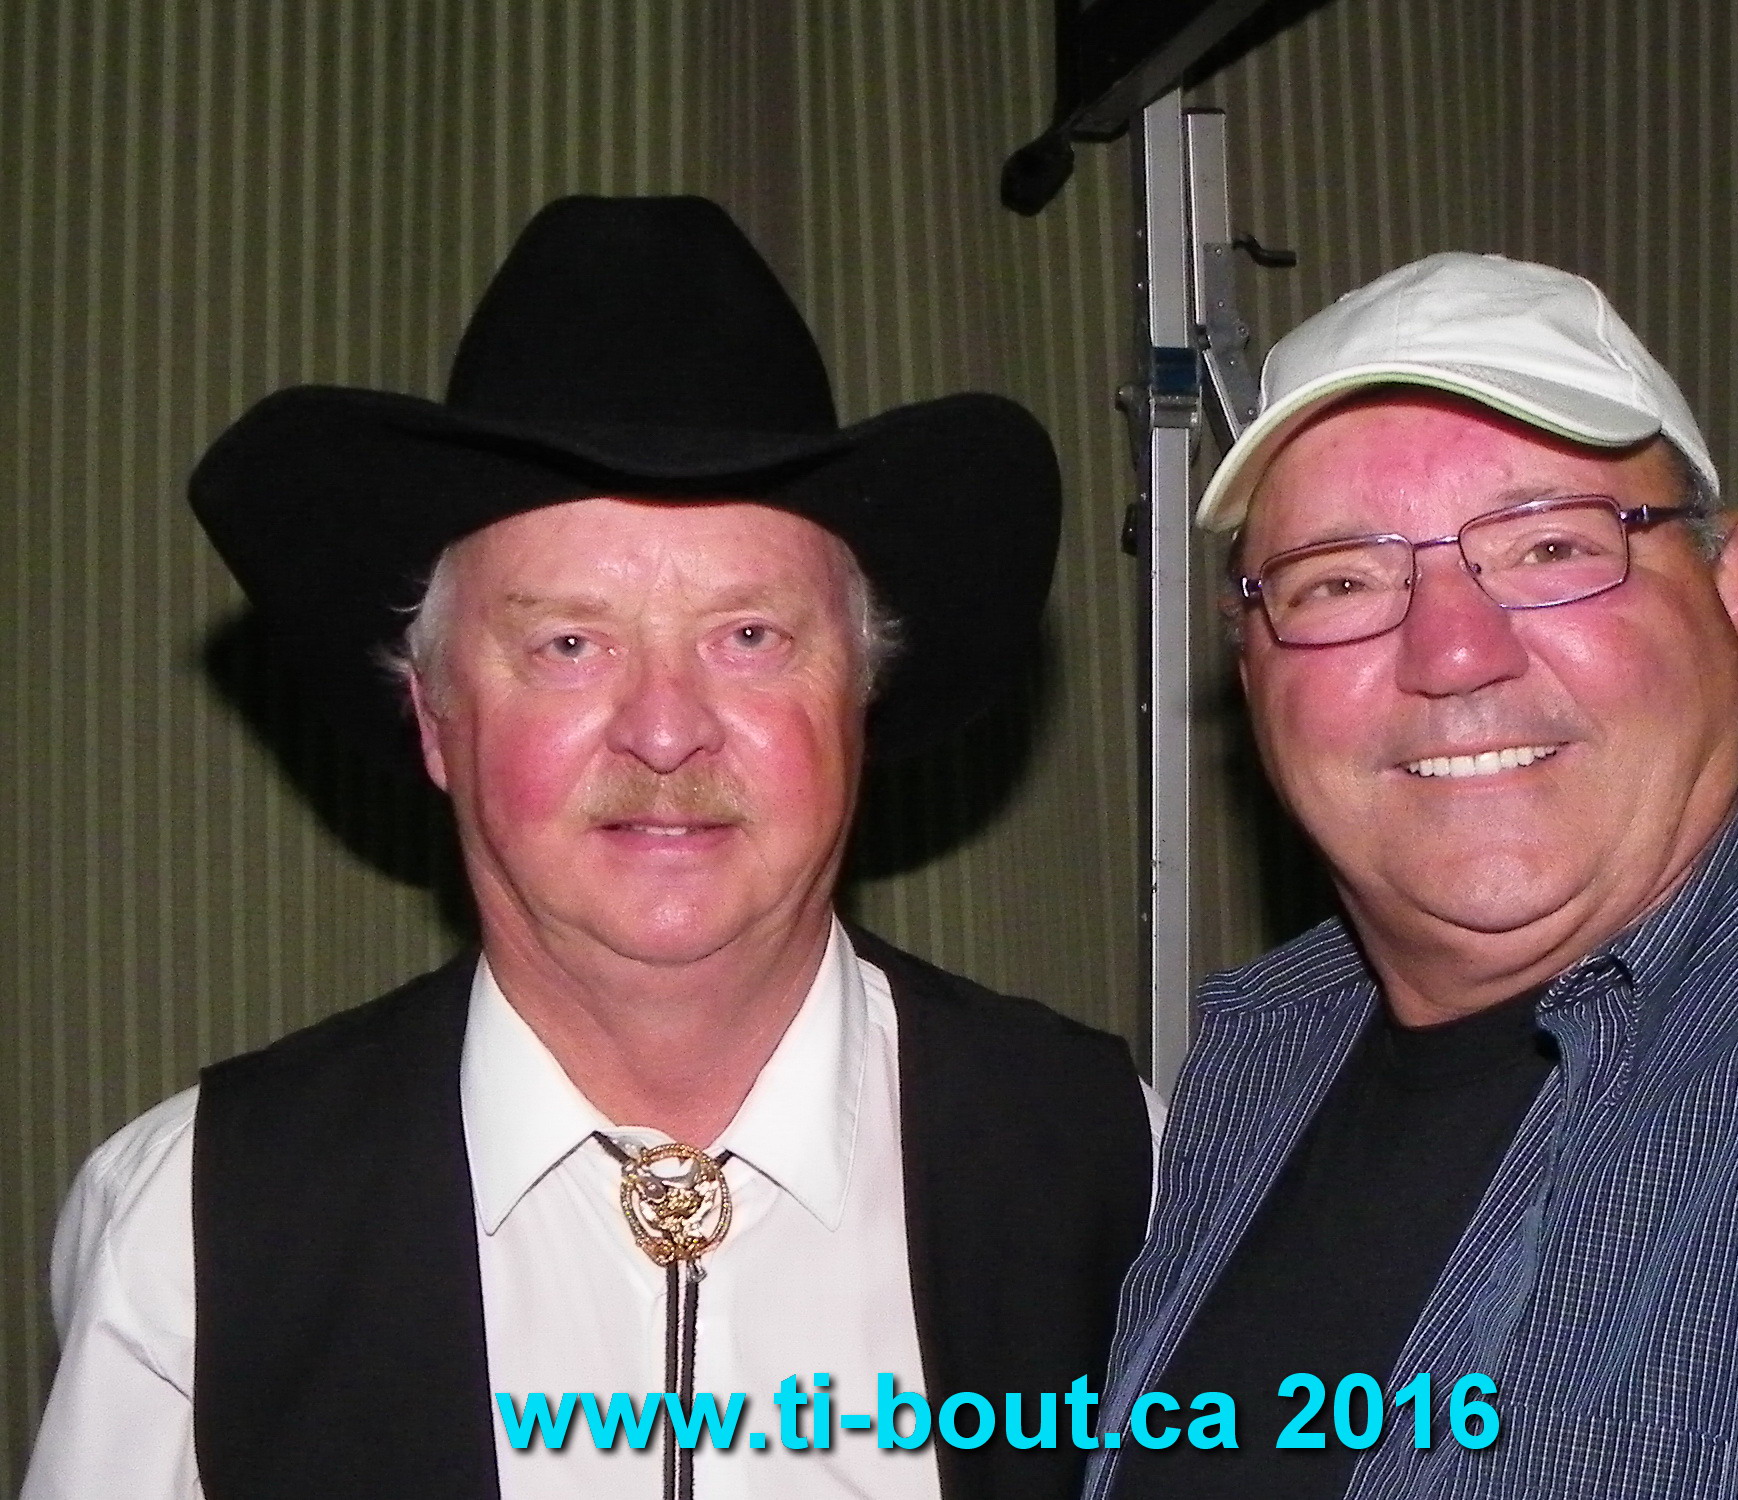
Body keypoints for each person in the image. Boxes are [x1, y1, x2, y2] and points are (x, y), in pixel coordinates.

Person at [24, 196, 1155, 1500]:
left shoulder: (1112, 1169)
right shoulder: (197, 1223)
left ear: (857, 697)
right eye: (568, 643)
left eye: (749, 637)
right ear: (436, 718)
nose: (665, 730)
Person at [1090, 252, 1738, 1498]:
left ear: (1732, 600)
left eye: (1548, 548)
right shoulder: (1251, 1068)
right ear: (1250, 671)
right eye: (1340, 580)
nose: (1451, 653)